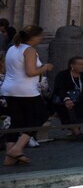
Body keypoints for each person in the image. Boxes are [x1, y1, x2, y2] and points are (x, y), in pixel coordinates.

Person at [2, 24, 51, 164]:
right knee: (41, 115)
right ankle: (17, 149)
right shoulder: (29, 50)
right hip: (25, 90)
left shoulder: (12, 48)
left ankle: (9, 157)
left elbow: (7, 69)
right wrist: (45, 67)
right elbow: (30, 72)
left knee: (16, 121)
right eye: (40, 36)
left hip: (9, 89)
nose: (41, 39)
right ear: (33, 37)